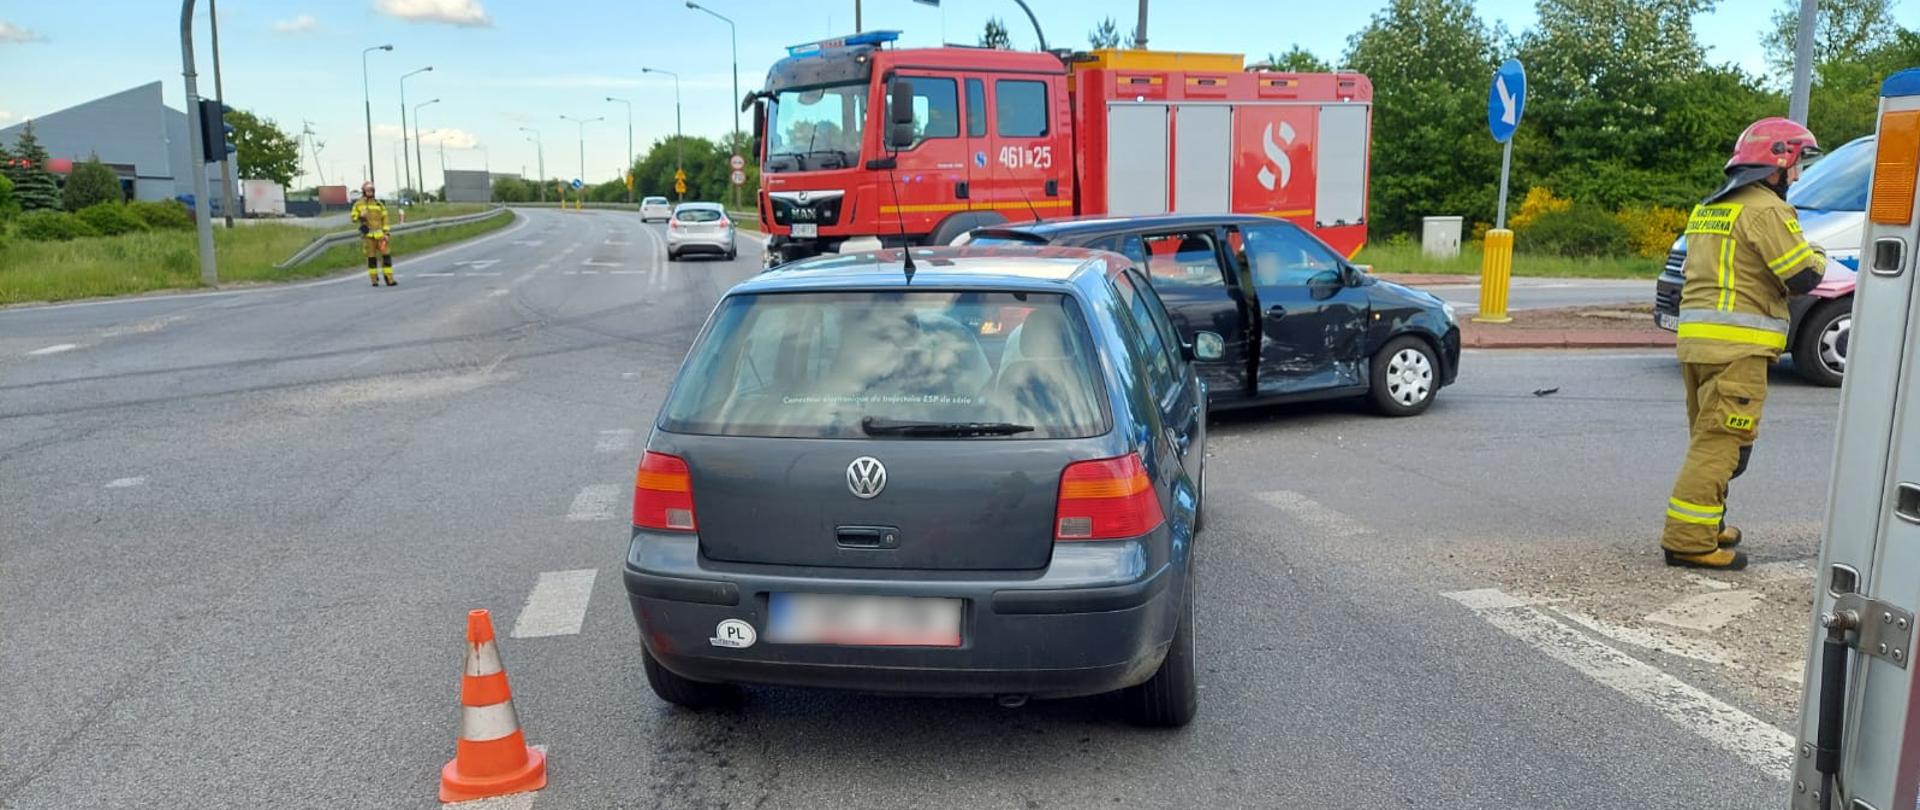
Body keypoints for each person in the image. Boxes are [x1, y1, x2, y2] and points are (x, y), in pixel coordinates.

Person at [1661, 118, 1827, 570]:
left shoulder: (1712, 208)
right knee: (1721, 443)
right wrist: (1822, 255)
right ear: (1778, 163)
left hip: (1698, 344)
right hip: (1738, 348)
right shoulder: (1766, 210)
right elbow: (1803, 276)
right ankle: (1689, 540)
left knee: (1710, 439)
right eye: (1795, 166)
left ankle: (1707, 522)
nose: (1796, 176)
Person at [351, 182, 397, 287]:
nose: (370, 192)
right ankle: (374, 279)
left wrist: (387, 233)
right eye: (368, 190)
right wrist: (360, 216)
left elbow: (385, 220)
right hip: (368, 236)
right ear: (364, 191)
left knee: (386, 256)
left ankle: (389, 278)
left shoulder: (379, 204)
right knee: (371, 258)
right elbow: (353, 217)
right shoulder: (358, 204)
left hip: (381, 236)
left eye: (371, 190)